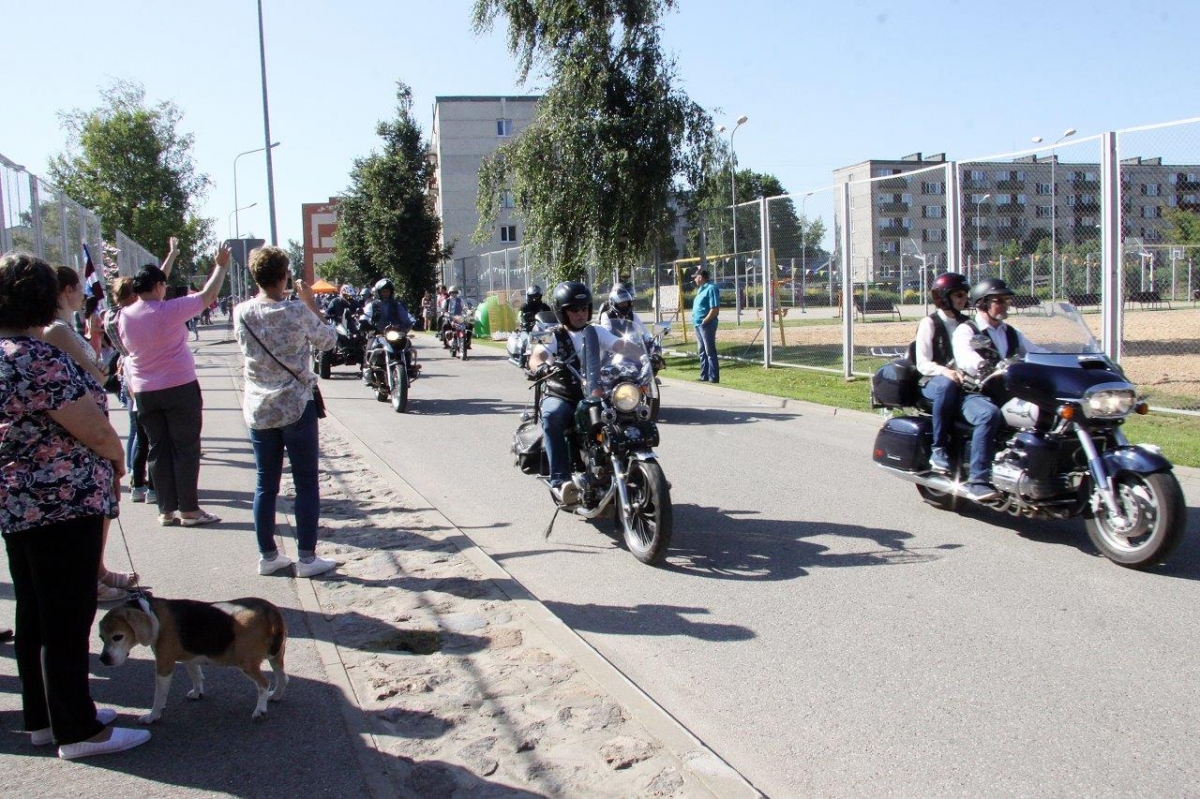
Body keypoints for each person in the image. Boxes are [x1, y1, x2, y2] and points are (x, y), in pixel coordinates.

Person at [0, 252, 151, 759]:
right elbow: (93, 429)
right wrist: (117, 460)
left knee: (35, 613)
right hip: (61, 504)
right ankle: (78, 730)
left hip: (19, 502)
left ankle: (45, 717)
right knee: (66, 618)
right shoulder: (34, 357)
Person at [234, 247, 338, 578]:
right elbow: (329, 341)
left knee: (266, 484)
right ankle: (307, 558)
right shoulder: (296, 311)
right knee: (306, 483)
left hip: (259, 408)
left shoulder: (241, 312)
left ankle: (268, 555)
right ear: (284, 277)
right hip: (295, 405)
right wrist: (311, 304)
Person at [118, 246, 229, 527]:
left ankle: (166, 509)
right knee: (186, 448)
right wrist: (220, 266)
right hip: (179, 386)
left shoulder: (125, 315)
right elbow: (208, 295)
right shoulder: (169, 310)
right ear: (158, 286)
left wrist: (170, 258)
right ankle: (189, 510)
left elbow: (156, 284)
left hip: (144, 391)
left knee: (158, 448)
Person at [43, 267, 135, 603]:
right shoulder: (56, 330)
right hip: (81, 430)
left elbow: (96, 366)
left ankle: (98, 570)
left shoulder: (65, 326)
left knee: (103, 504)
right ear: (66, 290)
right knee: (94, 507)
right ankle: (90, 577)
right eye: (79, 287)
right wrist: (98, 365)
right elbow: (96, 372)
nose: (84, 293)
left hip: (86, 422)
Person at [527, 281, 642, 505]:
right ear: (562, 311)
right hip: (562, 394)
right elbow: (537, 355)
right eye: (574, 310)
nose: (580, 314)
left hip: (595, 392)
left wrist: (643, 354)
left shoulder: (596, 331)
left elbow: (619, 345)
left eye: (583, 309)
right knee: (552, 416)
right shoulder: (552, 334)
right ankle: (560, 481)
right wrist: (540, 366)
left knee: (628, 413)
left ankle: (639, 471)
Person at [951, 277, 1036, 502]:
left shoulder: (1011, 332)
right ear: (982, 303)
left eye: (1007, 300)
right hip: (974, 394)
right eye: (999, 300)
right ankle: (978, 481)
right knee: (989, 415)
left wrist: (1066, 360)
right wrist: (982, 364)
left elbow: (1035, 352)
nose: (1006, 305)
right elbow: (965, 356)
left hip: (1007, 393)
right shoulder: (966, 330)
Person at [914, 273, 970, 474]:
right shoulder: (929, 323)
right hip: (932, 381)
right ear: (944, 297)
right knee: (946, 387)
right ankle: (939, 448)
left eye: (965, 295)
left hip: (962, 378)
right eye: (959, 295)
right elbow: (923, 363)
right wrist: (945, 371)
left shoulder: (968, 323)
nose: (964, 299)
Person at [691, 268, 721, 383]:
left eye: (695, 277)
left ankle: (713, 377)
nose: (694, 279)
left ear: (701, 277)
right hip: (697, 324)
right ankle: (704, 376)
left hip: (706, 324)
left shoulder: (711, 288)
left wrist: (705, 320)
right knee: (701, 351)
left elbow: (715, 309)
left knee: (709, 351)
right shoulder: (700, 289)